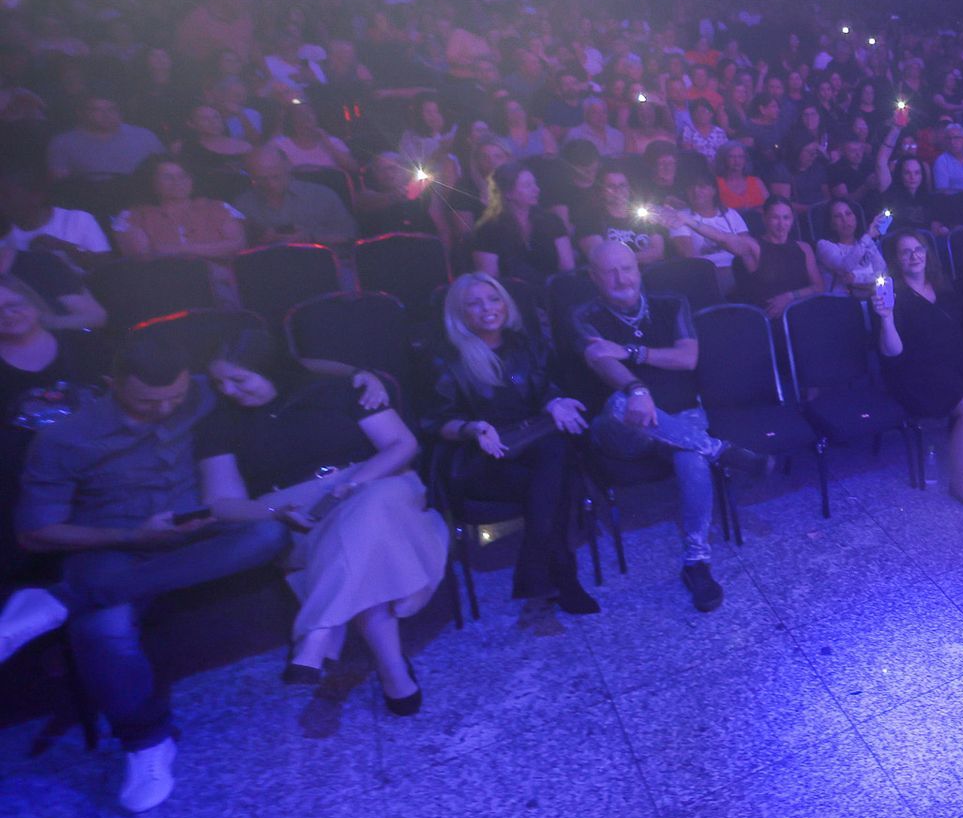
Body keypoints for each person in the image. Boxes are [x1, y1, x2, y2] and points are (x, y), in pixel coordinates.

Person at [8, 336, 290, 811]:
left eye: (174, 399)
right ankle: (146, 742)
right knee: (102, 629)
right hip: (112, 542)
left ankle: (63, 598)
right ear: (111, 384)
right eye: (146, 400)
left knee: (268, 535)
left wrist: (360, 377)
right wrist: (133, 538)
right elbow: (35, 533)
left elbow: (276, 370)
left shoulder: (203, 391)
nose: (163, 409)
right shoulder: (65, 438)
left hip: (191, 530)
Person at [195, 330, 446, 713]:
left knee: (370, 509)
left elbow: (403, 445)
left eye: (238, 379)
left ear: (269, 368)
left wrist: (351, 485)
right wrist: (274, 512)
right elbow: (221, 502)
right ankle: (392, 670)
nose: (228, 390)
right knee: (360, 546)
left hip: (375, 483)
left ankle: (317, 632)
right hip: (297, 513)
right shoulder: (219, 425)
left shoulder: (337, 390)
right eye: (218, 383)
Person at [570, 242, 771, 612]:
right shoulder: (585, 315)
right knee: (619, 404)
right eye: (610, 272)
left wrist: (633, 353)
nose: (621, 278)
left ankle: (697, 563)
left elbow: (687, 358)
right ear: (594, 277)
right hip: (623, 429)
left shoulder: (671, 303)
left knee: (690, 457)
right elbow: (600, 360)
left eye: (627, 269)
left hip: (682, 415)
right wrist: (637, 389)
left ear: (638, 269)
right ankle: (718, 449)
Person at [425, 272, 598, 616]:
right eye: (474, 303)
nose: (487, 309)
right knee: (559, 476)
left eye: (493, 299)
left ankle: (541, 572)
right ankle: (560, 576)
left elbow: (544, 387)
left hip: (530, 447)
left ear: (505, 303)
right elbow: (433, 420)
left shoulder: (524, 344)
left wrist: (554, 402)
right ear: (459, 313)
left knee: (554, 464)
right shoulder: (446, 359)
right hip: (481, 459)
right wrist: (473, 428)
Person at [876, 229, 963, 509]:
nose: (914, 256)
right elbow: (893, 352)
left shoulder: (944, 287)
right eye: (906, 252)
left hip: (954, 359)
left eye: (919, 249)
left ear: (927, 253)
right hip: (916, 371)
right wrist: (886, 318)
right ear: (897, 260)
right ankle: (959, 481)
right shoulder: (892, 297)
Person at [0, 276, 102, 587]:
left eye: (14, 304)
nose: (7, 314)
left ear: (34, 304)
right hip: (19, 463)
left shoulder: (84, 344)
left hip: (93, 448)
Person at [112, 156, 249, 292]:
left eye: (184, 176)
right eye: (167, 177)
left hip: (224, 285)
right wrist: (211, 253)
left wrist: (178, 249)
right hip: (166, 289)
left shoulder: (217, 207)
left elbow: (237, 246)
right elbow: (145, 259)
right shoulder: (133, 216)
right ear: (151, 181)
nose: (178, 182)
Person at [234, 145, 358, 246]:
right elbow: (234, 247)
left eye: (276, 176)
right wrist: (260, 241)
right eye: (261, 179)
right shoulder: (243, 205)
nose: (271, 184)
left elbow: (349, 234)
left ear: (288, 166)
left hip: (322, 264)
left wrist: (311, 237)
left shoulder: (322, 195)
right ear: (250, 176)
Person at [471, 160, 573, 281]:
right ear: (508, 193)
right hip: (513, 295)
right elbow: (490, 281)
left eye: (535, 184)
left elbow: (568, 269)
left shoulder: (551, 221)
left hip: (553, 292)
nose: (537, 190)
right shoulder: (488, 231)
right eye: (527, 185)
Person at [729, 196, 823, 317]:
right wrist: (696, 223)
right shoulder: (755, 247)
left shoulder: (804, 248)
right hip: (769, 316)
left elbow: (819, 287)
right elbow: (723, 238)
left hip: (802, 311)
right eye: (775, 217)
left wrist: (789, 297)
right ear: (764, 218)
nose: (781, 224)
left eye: (786, 218)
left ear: (792, 219)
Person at [0, 168, 111, 267]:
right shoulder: (4, 238)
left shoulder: (77, 220)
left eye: (6, 196)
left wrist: (64, 247)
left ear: (36, 196)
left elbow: (106, 267)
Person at [665, 176, 752, 293]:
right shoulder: (680, 217)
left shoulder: (730, 214)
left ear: (713, 190)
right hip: (705, 275)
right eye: (691, 187)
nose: (696, 191)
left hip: (738, 270)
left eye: (702, 186)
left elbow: (747, 248)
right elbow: (688, 256)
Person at [46, 95, 166, 180]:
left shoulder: (145, 136)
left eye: (111, 109)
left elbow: (166, 171)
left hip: (139, 204)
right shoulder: (63, 143)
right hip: (87, 207)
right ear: (81, 113)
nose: (106, 115)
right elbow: (60, 185)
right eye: (96, 110)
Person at [573, 167, 666, 265]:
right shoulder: (589, 219)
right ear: (601, 190)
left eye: (622, 185)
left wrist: (622, 258)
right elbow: (603, 259)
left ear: (629, 188)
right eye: (611, 186)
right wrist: (644, 256)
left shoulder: (643, 214)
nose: (618, 190)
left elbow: (658, 252)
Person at [815, 198, 887, 296]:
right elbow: (845, 267)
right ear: (831, 223)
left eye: (848, 214)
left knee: (888, 293)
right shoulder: (824, 245)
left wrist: (856, 278)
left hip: (873, 298)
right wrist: (868, 236)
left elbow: (883, 273)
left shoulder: (866, 242)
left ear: (855, 218)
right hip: (841, 303)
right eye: (838, 216)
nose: (845, 220)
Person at [268, 102, 357, 175]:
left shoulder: (334, 142)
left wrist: (328, 144)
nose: (306, 117)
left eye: (310, 113)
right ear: (292, 120)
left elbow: (353, 168)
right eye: (300, 114)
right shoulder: (281, 145)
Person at [713, 142, 768, 211]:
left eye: (741, 156)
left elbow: (769, 208)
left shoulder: (757, 182)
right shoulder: (715, 184)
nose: (737, 161)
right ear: (723, 159)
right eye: (731, 157)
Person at [932, 124, 963, 195]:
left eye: (956, 138)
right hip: (953, 202)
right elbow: (942, 191)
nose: (952, 142)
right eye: (949, 138)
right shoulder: (941, 162)